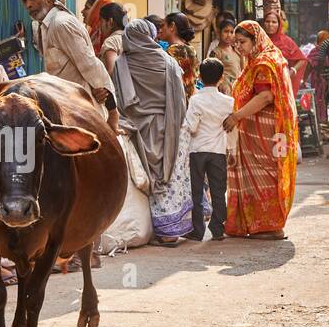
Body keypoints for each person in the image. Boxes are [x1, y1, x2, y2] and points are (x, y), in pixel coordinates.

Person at [111, 19, 192, 245]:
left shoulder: (121, 63)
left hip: (135, 127)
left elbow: (118, 99)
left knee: (143, 178)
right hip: (166, 126)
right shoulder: (168, 62)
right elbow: (180, 100)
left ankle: (152, 229)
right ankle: (168, 229)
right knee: (165, 176)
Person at [222, 21, 298, 239]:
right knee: (266, 175)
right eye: (236, 43)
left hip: (266, 132)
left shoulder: (264, 63)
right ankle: (260, 224)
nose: (239, 47)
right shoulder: (267, 57)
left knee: (267, 176)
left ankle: (270, 226)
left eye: (243, 42)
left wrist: (237, 116)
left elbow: (266, 97)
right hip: (266, 130)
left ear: (256, 40)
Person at [19, 0, 118, 133]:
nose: (28, 4)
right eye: (25, 1)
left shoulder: (61, 24)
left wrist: (113, 113)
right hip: (64, 109)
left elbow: (91, 66)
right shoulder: (43, 26)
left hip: (83, 114)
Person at [183, 58, 234, 241]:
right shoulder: (229, 102)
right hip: (218, 151)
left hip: (197, 150)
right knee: (218, 190)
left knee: (196, 191)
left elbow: (192, 126)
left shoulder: (195, 100)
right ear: (221, 78)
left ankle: (197, 231)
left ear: (199, 77)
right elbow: (231, 128)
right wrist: (232, 150)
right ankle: (217, 229)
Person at [263, 8, 308, 93]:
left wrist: (292, 71)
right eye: (267, 21)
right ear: (263, 23)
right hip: (262, 83)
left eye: (274, 22)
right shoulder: (259, 40)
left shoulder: (286, 41)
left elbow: (302, 60)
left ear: (279, 24)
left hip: (282, 83)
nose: (270, 25)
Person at [158, 12, 198, 98]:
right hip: (192, 97)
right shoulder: (191, 48)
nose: (160, 30)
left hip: (179, 99)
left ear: (172, 26)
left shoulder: (173, 51)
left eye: (162, 26)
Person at [208, 18, 244, 95]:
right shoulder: (216, 52)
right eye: (226, 31)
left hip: (237, 90)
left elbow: (242, 69)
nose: (229, 35)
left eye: (231, 32)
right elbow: (212, 74)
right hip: (224, 91)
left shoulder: (236, 50)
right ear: (219, 33)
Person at [97, 2, 130, 74]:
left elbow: (112, 71)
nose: (99, 26)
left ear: (110, 22)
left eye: (101, 21)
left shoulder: (111, 41)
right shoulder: (130, 38)